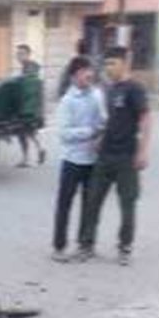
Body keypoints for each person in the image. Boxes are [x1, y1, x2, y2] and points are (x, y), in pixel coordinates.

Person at [76, 46, 152, 267]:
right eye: (106, 64)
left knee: (127, 203)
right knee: (92, 200)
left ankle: (125, 247)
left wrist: (143, 151)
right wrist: (101, 138)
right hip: (105, 156)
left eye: (113, 63)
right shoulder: (109, 90)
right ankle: (87, 244)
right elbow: (111, 119)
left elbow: (145, 119)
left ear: (125, 63)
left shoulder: (135, 89)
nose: (108, 68)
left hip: (127, 157)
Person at [51, 56, 105, 263]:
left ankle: (86, 244)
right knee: (64, 204)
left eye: (90, 71)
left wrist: (101, 133)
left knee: (90, 204)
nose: (89, 75)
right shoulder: (67, 101)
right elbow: (64, 133)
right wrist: (90, 132)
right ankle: (59, 246)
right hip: (72, 160)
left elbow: (104, 121)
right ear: (74, 76)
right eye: (84, 72)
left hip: (93, 160)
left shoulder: (97, 95)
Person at [15, 44, 46, 167]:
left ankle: (26, 159)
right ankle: (40, 149)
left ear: (28, 54)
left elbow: (29, 87)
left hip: (29, 108)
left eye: (21, 54)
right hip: (30, 107)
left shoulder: (31, 68)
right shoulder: (27, 67)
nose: (19, 56)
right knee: (29, 131)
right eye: (18, 54)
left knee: (23, 132)